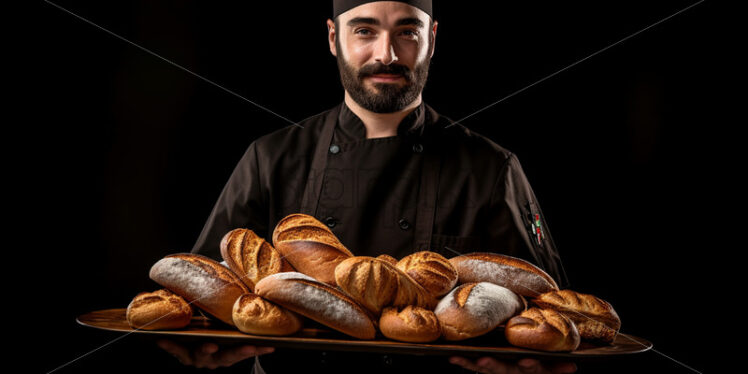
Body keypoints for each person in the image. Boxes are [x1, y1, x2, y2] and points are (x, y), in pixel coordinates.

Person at [157, 1, 575, 373]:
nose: (387, 54)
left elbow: (548, 307)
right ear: (333, 38)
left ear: (431, 38)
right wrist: (200, 343)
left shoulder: (491, 167)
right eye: (364, 30)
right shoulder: (271, 157)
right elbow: (201, 287)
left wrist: (529, 367)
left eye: (407, 32)